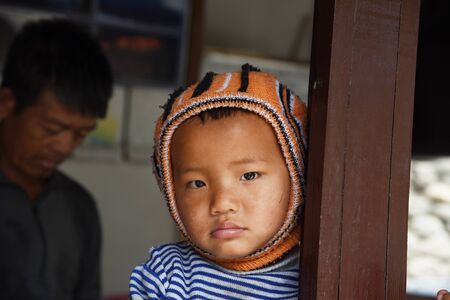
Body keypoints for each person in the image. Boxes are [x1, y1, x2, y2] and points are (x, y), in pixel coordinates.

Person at [129, 64, 307, 299]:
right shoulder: (167, 276)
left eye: (249, 175)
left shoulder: (324, 272)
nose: (222, 204)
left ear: (297, 176)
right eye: (197, 183)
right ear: (170, 191)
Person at [0, 19, 113, 300]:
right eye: (51, 129)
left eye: (81, 134)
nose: (63, 147)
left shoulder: (78, 207)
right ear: (6, 104)